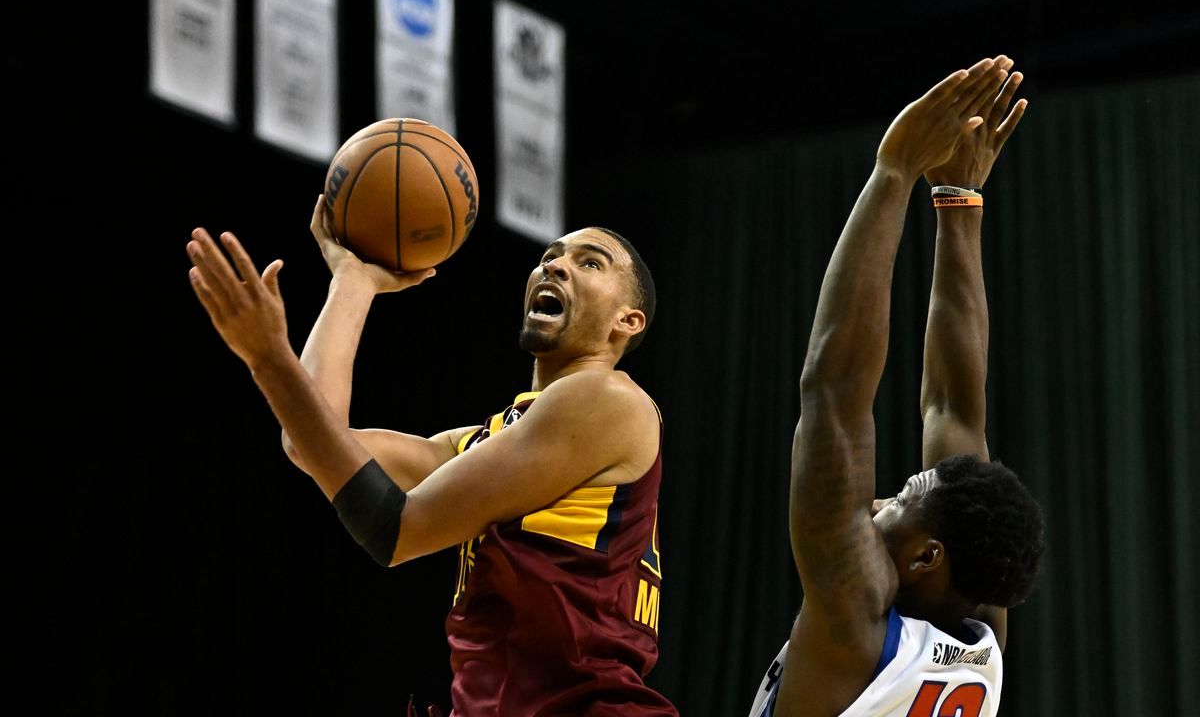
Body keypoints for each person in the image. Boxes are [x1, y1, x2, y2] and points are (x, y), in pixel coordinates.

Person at [186, 212, 677, 716]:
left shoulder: (608, 398)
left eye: (590, 262)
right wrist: (353, 282)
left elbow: (397, 529)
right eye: (549, 256)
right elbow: (309, 440)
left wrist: (270, 361)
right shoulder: (485, 439)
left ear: (628, 321)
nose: (554, 266)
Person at [749, 56, 1045, 717]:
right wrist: (958, 201)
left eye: (902, 499)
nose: (880, 500)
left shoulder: (854, 620)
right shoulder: (980, 637)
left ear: (925, 557)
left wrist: (894, 170)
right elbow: (954, 408)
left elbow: (836, 390)